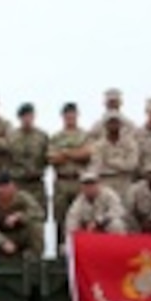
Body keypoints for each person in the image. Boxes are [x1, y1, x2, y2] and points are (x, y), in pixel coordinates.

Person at [48, 103, 93, 249]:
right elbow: (52, 158)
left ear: (77, 115)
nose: (70, 117)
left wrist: (66, 153)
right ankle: (61, 252)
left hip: (79, 181)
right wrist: (75, 152)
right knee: (60, 218)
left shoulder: (85, 135)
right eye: (67, 114)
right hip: (61, 181)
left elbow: (87, 154)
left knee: (83, 217)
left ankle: (82, 250)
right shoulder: (56, 137)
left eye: (72, 114)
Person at [0, 171, 45, 259]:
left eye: (5, 187)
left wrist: (20, 216)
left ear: (12, 187)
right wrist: (2, 242)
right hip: (2, 235)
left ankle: (34, 257)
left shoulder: (23, 197)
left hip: (21, 233)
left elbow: (39, 213)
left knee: (37, 227)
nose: (1, 191)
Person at [7, 102, 49, 212]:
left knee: (38, 214)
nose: (27, 119)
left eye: (29, 115)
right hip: (18, 184)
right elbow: (7, 159)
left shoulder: (42, 136)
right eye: (24, 116)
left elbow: (48, 158)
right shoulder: (12, 137)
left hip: (36, 184)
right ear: (19, 118)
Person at [64, 170, 128, 237]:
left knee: (116, 224)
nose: (89, 187)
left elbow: (119, 210)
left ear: (98, 184)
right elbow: (71, 221)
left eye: (92, 184)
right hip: (90, 231)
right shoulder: (79, 202)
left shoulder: (108, 194)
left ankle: (118, 246)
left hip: (106, 226)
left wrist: (99, 221)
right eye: (86, 184)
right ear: (81, 187)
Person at [91, 112, 139, 199]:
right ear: (105, 125)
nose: (113, 125)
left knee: (125, 209)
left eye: (116, 122)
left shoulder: (130, 143)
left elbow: (132, 165)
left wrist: (111, 162)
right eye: (110, 122)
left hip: (124, 182)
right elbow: (97, 167)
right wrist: (122, 163)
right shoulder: (98, 145)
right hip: (105, 182)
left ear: (121, 124)